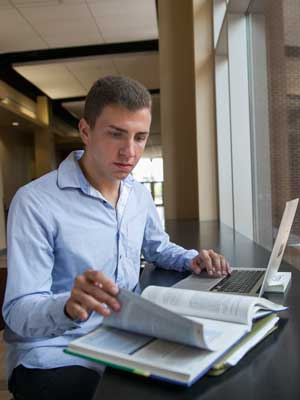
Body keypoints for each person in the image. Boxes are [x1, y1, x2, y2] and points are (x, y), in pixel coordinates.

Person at [3, 76, 231, 400]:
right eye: (116, 134)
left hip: (124, 336)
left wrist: (189, 258)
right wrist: (68, 306)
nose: (130, 152)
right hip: (56, 354)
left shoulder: (137, 194)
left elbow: (156, 246)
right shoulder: (36, 202)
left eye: (140, 137)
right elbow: (18, 312)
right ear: (85, 131)